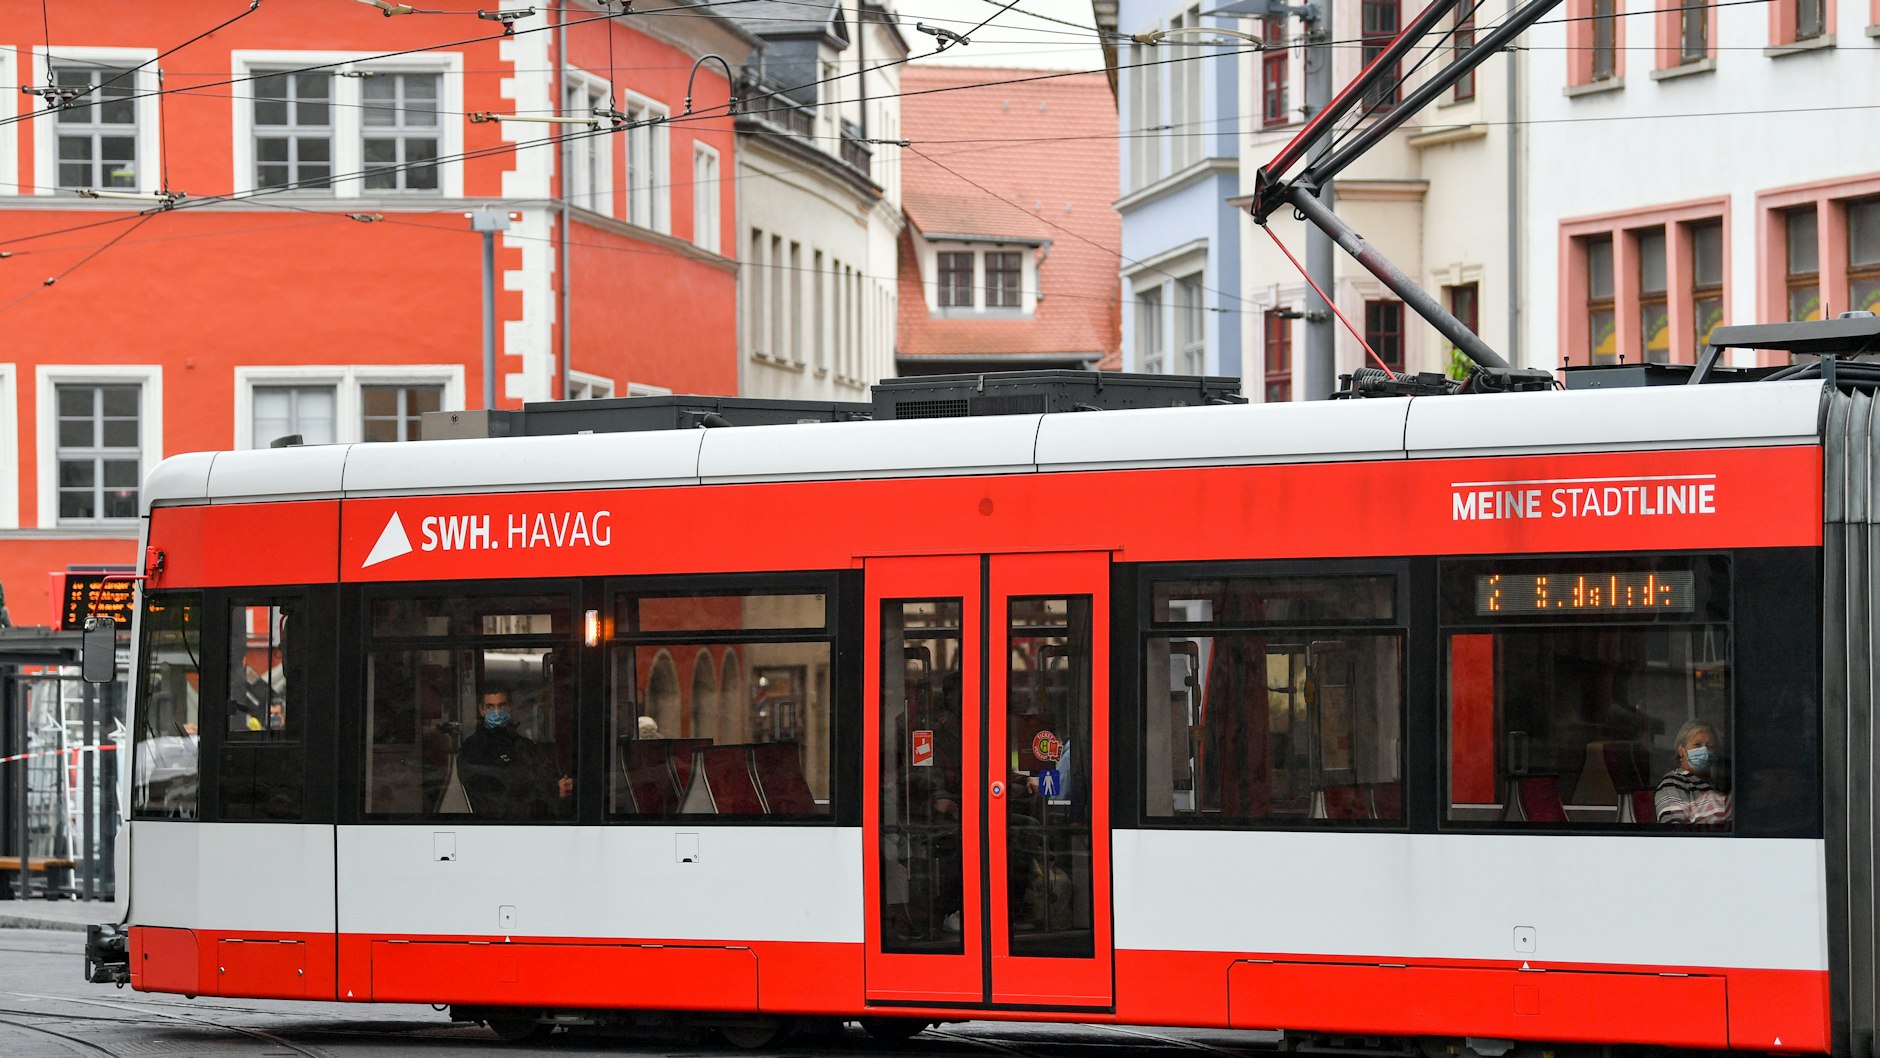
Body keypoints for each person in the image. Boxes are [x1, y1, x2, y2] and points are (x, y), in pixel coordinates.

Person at [457, 690, 573, 821]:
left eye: (501, 706)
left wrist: (561, 784)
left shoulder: (523, 744)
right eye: (490, 707)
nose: (496, 712)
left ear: (510, 708)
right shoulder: (474, 749)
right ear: (482, 710)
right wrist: (551, 791)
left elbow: (539, 773)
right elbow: (498, 795)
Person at [1655, 719, 1731, 825]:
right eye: (1697, 745)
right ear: (1681, 750)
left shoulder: (1718, 784)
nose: (1704, 750)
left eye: (1710, 747)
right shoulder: (1673, 782)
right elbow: (1674, 832)